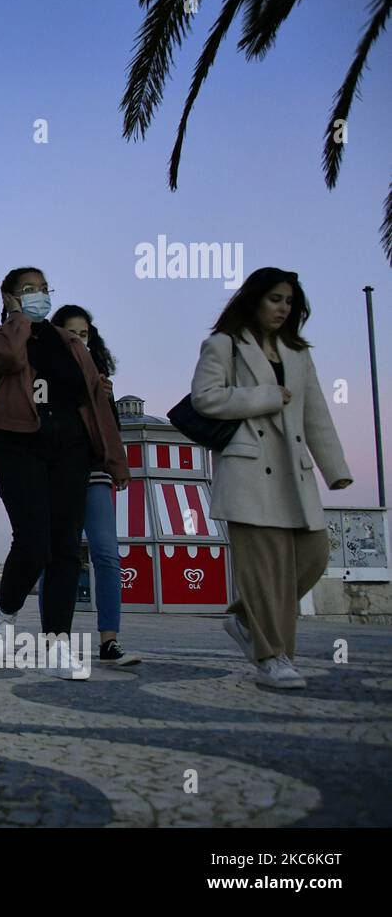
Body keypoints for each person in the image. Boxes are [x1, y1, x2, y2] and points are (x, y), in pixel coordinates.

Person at [190, 267, 352, 690]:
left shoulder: (297, 353)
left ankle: (246, 616)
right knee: (264, 569)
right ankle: (273, 656)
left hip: (292, 471)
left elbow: (316, 412)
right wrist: (263, 397)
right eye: (275, 298)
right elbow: (205, 398)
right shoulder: (223, 345)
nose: (284, 308)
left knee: (314, 554)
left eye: (290, 301)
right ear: (255, 299)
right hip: (248, 468)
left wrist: (335, 470)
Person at [0, 267, 130, 679]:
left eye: (43, 290)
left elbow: (96, 401)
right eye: (28, 290)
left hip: (71, 448)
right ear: (8, 296)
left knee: (65, 546)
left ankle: (57, 645)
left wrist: (114, 458)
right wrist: (18, 319)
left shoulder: (70, 344)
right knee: (33, 541)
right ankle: (5, 615)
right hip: (18, 442)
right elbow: (9, 358)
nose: (39, 296)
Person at [43, 305, 141, 666]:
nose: (78, 340)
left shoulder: (101, 381)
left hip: (95, 472)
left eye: (84, 334)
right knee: (58, 556)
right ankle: (56, 641)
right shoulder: (43, 377)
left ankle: (110, 640)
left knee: (106, 553)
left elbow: (110, 430)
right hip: (57, 474)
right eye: (71, 333)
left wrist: (104, 398)